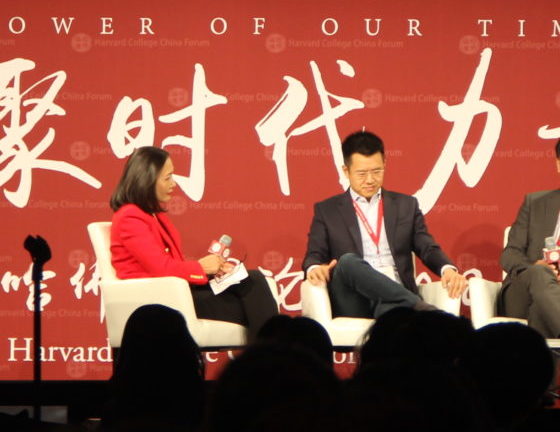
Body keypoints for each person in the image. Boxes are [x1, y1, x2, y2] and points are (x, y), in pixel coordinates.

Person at [109, 146, 278, 342]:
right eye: (167, 178)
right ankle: (273, 354)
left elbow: (170, 265)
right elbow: (161, 268)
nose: (173, 184)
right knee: (258, 310)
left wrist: (212, 271)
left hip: (178, 291)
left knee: (253, 279)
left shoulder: (153, 215)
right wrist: (201, 267)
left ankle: (270, 354)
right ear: (147, 180)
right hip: (160, 299)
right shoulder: (130, 217)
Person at [302, 130, 468, 318]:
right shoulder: (327, 210)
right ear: (346, 171)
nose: (370, 180)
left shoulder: (406, 205)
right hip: (354, 297)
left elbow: (427, 247)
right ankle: (423, 309)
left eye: (376, 171)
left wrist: (447, 269)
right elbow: (313, 255)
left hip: (394, 292)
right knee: (347, 262)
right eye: (362, 174)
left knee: (393, 316)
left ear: (385, 165)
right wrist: (314, 268)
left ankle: (408, 305)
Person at [499, 138, 560, 338]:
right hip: (523, 291)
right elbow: (510, 254)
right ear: (558, 164)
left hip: (547, 302)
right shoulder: (535, 203)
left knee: (540, 312)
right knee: (540, 273)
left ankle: (543, 359)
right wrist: (535, 266)